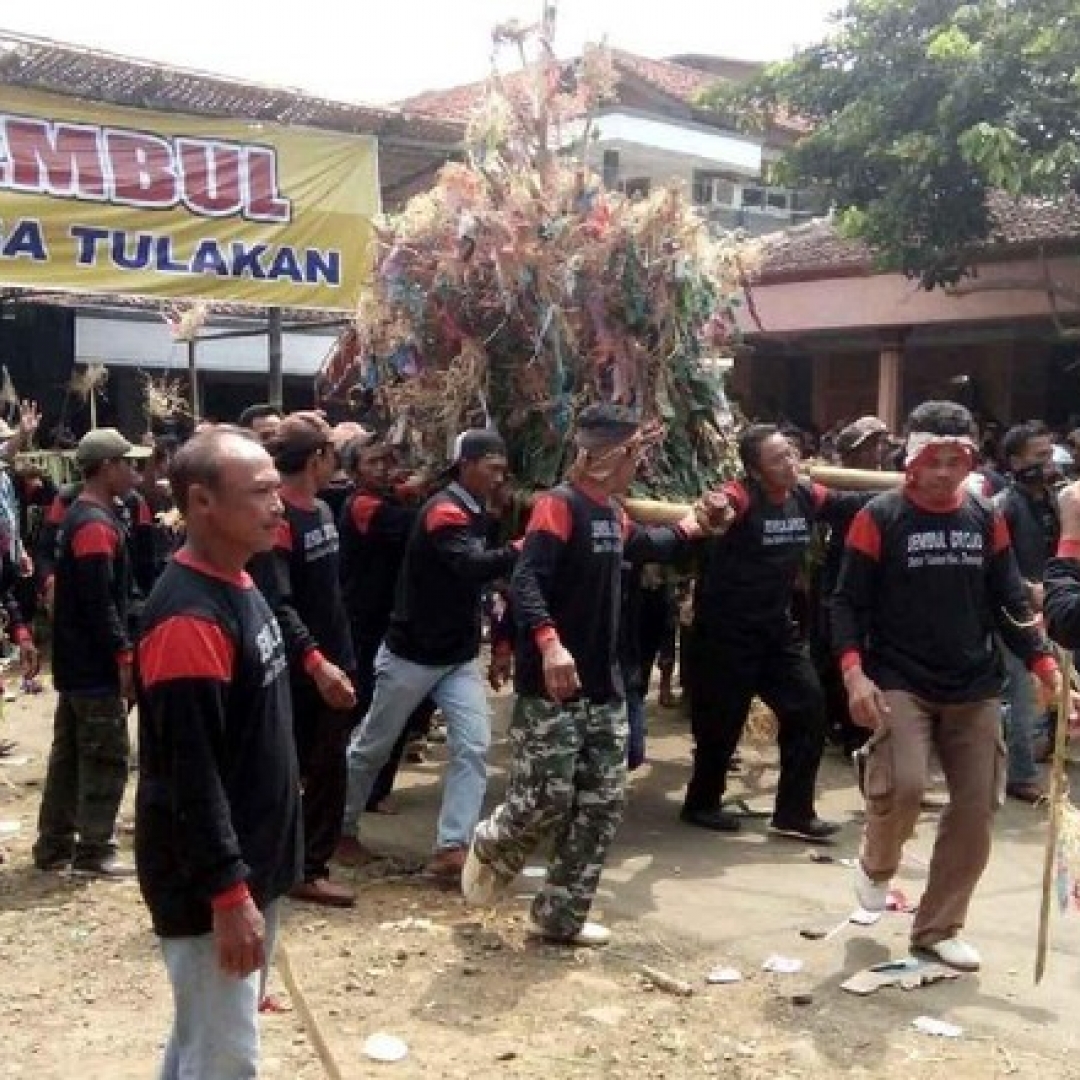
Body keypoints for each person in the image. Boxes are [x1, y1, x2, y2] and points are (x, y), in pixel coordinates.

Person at [463, 406, 732, 944]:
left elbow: (648, 545)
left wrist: (696, 526)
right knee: (545, 799)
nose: (642, 462)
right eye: (637, 452)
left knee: (601, 804)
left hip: (606, 686)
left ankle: (559, 917)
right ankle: (493, 840)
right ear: (613, 455)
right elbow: (527, 580)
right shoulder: (558, 508)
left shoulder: (610, 512)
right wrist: (550, 646)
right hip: (556, 689)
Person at [832, 401, 1059, 972]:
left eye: (956, 461)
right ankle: (877, 865)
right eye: (934, 460)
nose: (944, 472)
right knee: (904, 787)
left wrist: (1042, 663)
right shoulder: (879, 517)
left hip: (975, 684)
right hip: (900, 678)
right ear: (912, 461)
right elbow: (847, 603)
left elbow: (1008, 600)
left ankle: (937, 927)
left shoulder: (986, 517)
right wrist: (854, 673)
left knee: (978, 807)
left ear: (970, 462)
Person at [135, 426, 301, 1080]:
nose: (278, 503)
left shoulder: (240, 581)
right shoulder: (188, 620)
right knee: (226, 1060)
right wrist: (228, 894)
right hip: (210, 884)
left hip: (252, 864)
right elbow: (189, 777)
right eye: (259, 492)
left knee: (201, 1040)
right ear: (201, 503)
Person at [338, 429, 518, 879]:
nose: (499, 477)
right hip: (412, 655)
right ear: (466, 466)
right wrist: (524, 545)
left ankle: (451, 848)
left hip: (455, 657)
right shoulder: (444, 513)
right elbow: (470, 565)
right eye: (491, 468)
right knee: (369, 749)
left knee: (473, 747)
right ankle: (335, 828)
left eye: (503, 469)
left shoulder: (474, 509)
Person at [681, 424, 868, 839]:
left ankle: (794, 813)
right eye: (778, 459)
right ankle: (702, 803)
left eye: (791, 454)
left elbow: (850, 504)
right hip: (725, 631)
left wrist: (911, 495)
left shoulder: (804, 495)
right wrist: (712, 511)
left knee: (809, 708)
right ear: (755, 470)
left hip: (775, 630)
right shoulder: (741, 497)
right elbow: (719, 504)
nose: (790, 463)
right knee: (720, 725)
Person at [247, 412, 357, 907]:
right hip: (300, 666)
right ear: (317, 458)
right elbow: (278, 601)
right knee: (297, 766)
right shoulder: (280, 522)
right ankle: (302, 868)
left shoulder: (324, 512)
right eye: (333, 451)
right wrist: (315, 661)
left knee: (326, 764)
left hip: (333, 656)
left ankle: (300, 861)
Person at [32, 428, 151, 876]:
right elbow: (99, 602)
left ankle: (53, 844)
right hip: (95, 664)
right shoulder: (97, 526)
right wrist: (123, 655)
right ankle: (93, 849)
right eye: (127, 463)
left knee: (68, 757)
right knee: (105, 754)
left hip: (76, 662)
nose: (134, 471)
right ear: (105, 468)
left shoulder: (85, 516)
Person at [338, 437, 432, 816]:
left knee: (391, 706)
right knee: (369, 705)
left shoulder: (388, 499)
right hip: (366, 620)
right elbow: (413, 526)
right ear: (355, 469)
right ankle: (363, 791)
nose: (381, 468)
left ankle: (375, 789)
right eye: (371, 462)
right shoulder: (362, 505)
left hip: (388, 617)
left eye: (385, 461)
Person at [814, 416, 888, 755]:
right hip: (838, 581)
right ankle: (842, 726)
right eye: (870, 445)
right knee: (835, 653)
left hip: (878, 584)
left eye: (880, 444)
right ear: (851, 453)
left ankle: (856, 727)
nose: (878, 450)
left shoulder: (889, 481)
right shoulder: (836, 488)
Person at [994, 421, 1059, 802]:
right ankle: (1021, 776)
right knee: (1023, 693)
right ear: (1016, 461)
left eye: (1050, 454)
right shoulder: (1004, 506)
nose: (1049, 462)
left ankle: (1035, 752)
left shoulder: (1053, 500)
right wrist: (1026, 591)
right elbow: (995, 566)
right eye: (1040, 456)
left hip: (1051, 607)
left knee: (1046, 693)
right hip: (1017, 614)